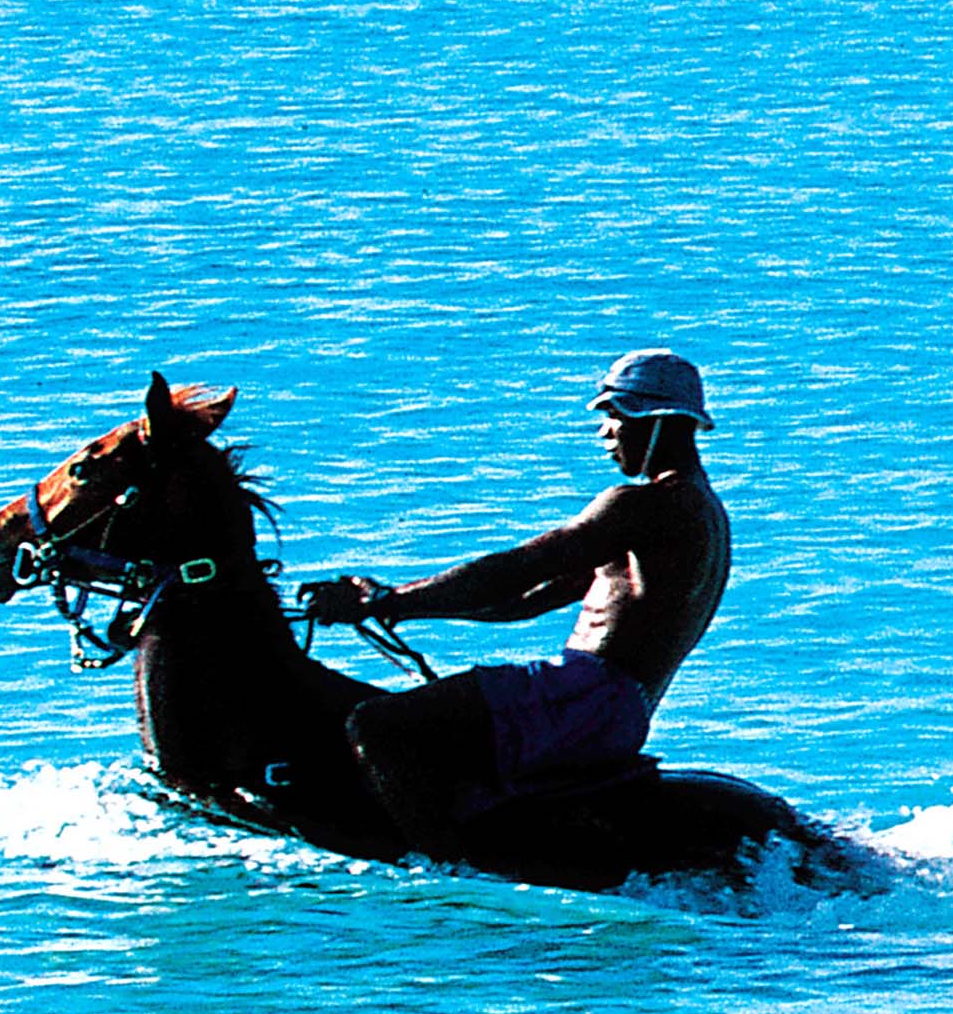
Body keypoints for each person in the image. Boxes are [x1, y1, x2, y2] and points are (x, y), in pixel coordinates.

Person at [296, 349, 731, 830]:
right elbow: (525, 601)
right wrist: (400, 605)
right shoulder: (700, 514)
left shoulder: (643, 506)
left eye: (614, 416)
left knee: (376, 727)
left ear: (656, 421)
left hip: (581, 697)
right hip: (618, 712)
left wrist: (387, 600)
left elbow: (521, 567)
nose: (604, 433)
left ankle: (442, 867)